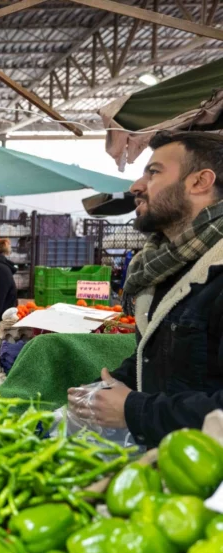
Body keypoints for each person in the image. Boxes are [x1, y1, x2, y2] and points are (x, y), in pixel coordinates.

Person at [68, 131, 223, 447]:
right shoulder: (169, 266)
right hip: (167, 463)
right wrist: (103, 391)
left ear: (200, 182)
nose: (135, 187)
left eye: (153, 173)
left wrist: (133, 410)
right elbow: (163, 363)